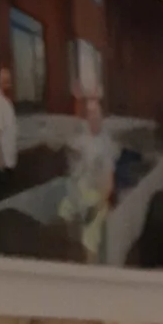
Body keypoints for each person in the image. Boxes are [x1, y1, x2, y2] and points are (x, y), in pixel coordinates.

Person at [65, 95, 116, 263]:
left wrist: (98, 204)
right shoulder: (80, 140)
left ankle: (91, 264)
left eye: (96, 114)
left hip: (97, 196)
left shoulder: (106, 143)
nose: (93, 118)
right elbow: (73, 169)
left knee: (91, 235)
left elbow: (108, 182)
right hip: (80, 193)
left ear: (101, 117)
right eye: (90, 114)